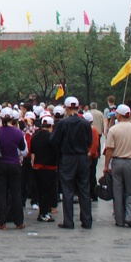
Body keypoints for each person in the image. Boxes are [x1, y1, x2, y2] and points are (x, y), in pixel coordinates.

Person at [103, 104, 131, 228]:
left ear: (119, 115)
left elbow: (109, 149)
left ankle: (119, 219)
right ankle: (130, 216)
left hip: (117, 162)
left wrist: (106, 165)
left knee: (117, 191)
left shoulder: (114, 129)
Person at [52, 96, 93, 229]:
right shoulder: (85, 123)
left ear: (67, 108)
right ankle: (87, 220)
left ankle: (68, 221)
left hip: (68, 158)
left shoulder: (63, 123)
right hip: (82, 157)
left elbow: (54, 140)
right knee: (83, 189)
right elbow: (89, 142)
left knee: (67, 190)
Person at [0, 107, 27, 230]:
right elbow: (22, 147)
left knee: (1, 194)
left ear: (1, 118)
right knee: (15, 194)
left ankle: (2, 222)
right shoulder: (17, 132)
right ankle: (19, 221)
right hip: (14, 165)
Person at [30, 115, 58, 222]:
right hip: (49, 168)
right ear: (51, 126)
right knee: (47, 191)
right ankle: (44, 213)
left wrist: (34, 164)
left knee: (40, 190)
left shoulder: (35, 136)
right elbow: (56, 152)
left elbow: (32, 152)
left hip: (37, 167)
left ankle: (42, 211)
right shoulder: (52, 137)